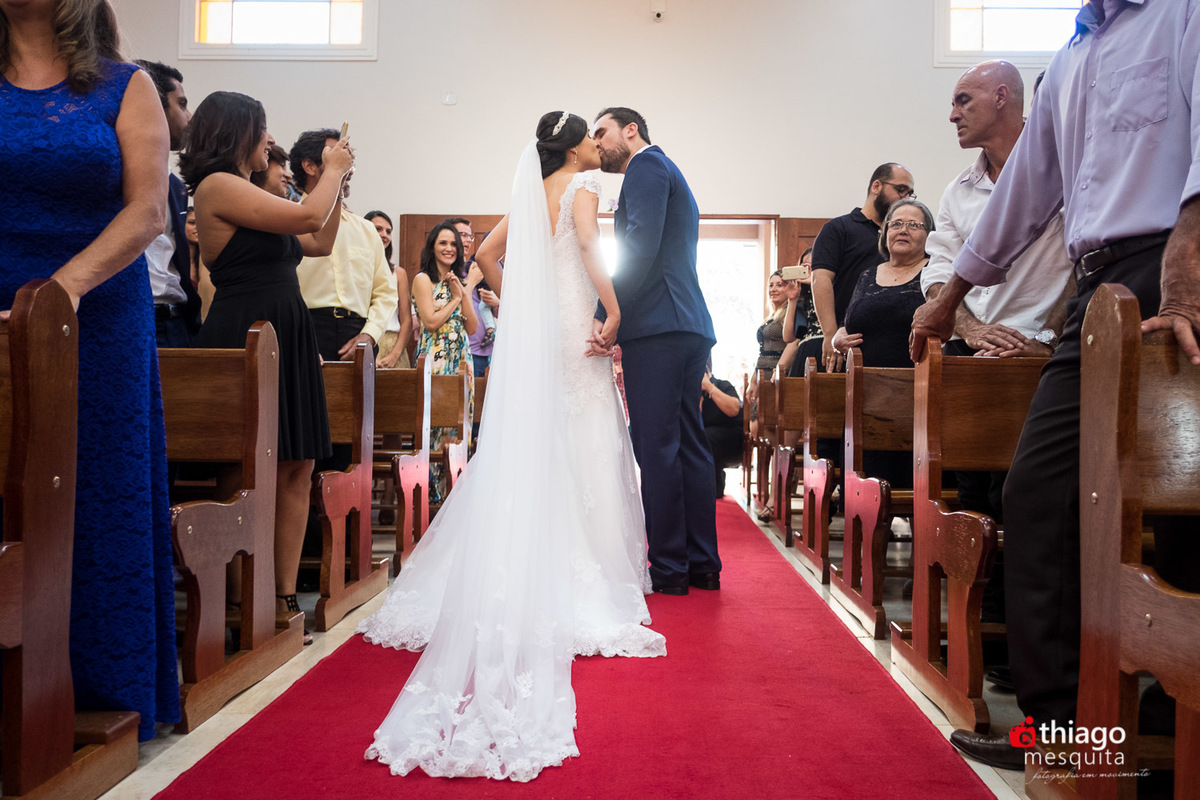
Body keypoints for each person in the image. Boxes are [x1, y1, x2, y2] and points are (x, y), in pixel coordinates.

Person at [909, 0, 1200, 770]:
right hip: (1101, 284)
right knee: (1041, 492)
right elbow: (1026, 191)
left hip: (1182, 262)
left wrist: (1187, 268)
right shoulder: (1072, 55)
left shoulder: (1182, 12)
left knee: (1185, 502)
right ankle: (1072, 731)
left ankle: (1174, 720)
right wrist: (947, 300)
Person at [359, 111, 665, 782]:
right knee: (586, 433)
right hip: (573, 321)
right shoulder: (582, 185)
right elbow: (589, 249)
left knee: (539, 438)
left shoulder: (531, 193)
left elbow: (486, 257)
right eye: (589, 133)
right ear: (575, 143)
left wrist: (519, 300)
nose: (595, 143)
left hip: (541, 328)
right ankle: (582, 560)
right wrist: (610, 309)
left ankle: (524, 552)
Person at [0, 0, 180, 741]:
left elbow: (147, 212)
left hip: (96, 312)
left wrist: (61, 291)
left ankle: (103, 683)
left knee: (93, 489)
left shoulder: (121, 85)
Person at [180, 90, 354, 646]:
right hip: (246, 328)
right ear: (237, 134)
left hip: (288, 330)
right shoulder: (217, 187)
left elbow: (320, 237)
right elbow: (307, 214)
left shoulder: (253, 191)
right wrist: (328, 170)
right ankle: (235, 601)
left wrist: (335, 182)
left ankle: (281, 598)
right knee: (246, 469)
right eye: (262, 130)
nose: (270, 140)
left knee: (298, 464)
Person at [589, 106, 721, 595]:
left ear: (631, 130)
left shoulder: (645, 165)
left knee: (657, 446)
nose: (596, 142)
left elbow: (639, 244)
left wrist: (608, 312)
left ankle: (669, 568)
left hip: (657, 327)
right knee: (687, 443)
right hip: (686, 324)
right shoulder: (669, 169)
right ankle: (701, 563)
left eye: (601, 132)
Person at [290, 128, 398, 363]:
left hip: (358, 332)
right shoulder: (288, 222)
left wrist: (370, 334)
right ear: (309, 166)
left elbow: (385, 292)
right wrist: (297, 337)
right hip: (306, 329)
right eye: (336, 159)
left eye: (348, 160)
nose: (346, 168)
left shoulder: (366, 229)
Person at [812, 162, 916, 373]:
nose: (905, 198)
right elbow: (820, 280)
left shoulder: (903, 237)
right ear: (876, 186)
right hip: (848, 342)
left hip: (896, 347)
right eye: (900, 190)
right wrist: (830, 335)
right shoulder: (839, 228)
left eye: (910, 194)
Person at [411, 221, 479, 503]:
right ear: (432, 247)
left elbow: (473, 327)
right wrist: (455, 298)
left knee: (457, 431)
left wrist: (463, 293)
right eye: (443, 243)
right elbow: (429, 322)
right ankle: (429, 501)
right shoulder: (422, 280)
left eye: (454, 244)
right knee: (433, 432)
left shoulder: (458, 281)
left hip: (461, 360)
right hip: (435, 361)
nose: (450, 248)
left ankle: (455, 502)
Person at [134, 59, 201, 345]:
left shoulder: (175, 185)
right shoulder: (112, 171)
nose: (189, 116)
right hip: (134, 315)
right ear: (153, 104)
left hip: (175, 320)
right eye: (182, 104)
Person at [832, 199, 934, 369]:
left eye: (914, 225)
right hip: (862, 381)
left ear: (929, 235)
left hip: (918, 381)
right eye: (896, 224)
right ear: (886, 232)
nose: (903, 230)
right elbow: (850, 322)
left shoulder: (936, 271)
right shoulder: (867, 275)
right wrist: (838, 337)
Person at [364, 210, 412, 369]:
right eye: (378, 229)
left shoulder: (398, 274)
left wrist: (394, 355)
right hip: (363, 344)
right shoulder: (355, 270)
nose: (384, 234)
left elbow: (406, 320)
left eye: (388, 231)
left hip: (393, 346)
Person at [701, 362, 742, 496]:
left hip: (734, 440)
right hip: (708, 442)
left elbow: (734, 410)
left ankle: (716, 487)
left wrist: (709, 388)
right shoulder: (692, 393)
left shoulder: (723, 385)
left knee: (708, 436)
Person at [781, 247, 823, 378]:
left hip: (825, 348)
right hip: (805, 351)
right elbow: (789, 337)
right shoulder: (802, 296)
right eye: (805, 267)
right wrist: (792, 299)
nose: (809, 271)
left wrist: (816, 283)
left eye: (812, 266)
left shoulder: (834, 289)